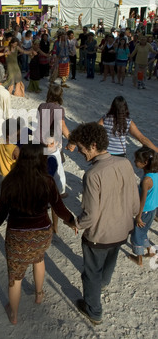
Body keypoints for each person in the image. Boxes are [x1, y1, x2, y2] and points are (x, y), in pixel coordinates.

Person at [0, 143, 75, 324]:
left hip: (17, 236)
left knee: (15, 276)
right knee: (39, 259)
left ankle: (13, 314)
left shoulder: (9, 182)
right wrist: (71, 221)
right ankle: (39, 294)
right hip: (42, 233)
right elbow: (60, 208)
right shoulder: (48, 181)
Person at [68, 122, 140, 325]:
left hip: (100, 235)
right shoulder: (124, 163)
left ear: (92, 145)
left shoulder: (92, 174)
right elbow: (134, 201)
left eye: (81, 148)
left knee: (91, 273)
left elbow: (90, 214)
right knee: (111, 259)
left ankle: (94, 310)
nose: (80, 153)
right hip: (122, 229)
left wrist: (77, 223)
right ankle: (105, 283)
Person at [129, 147, 158, 266]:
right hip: (152, 210)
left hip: (144, 212)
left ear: (145, 163)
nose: (135, 161)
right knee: (143, 232)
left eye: (137, 160)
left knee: (136, 235)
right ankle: (150, 252)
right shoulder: (155, 174)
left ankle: (139, 259)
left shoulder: (146, 180)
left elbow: (142, 200)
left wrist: (138, 216)